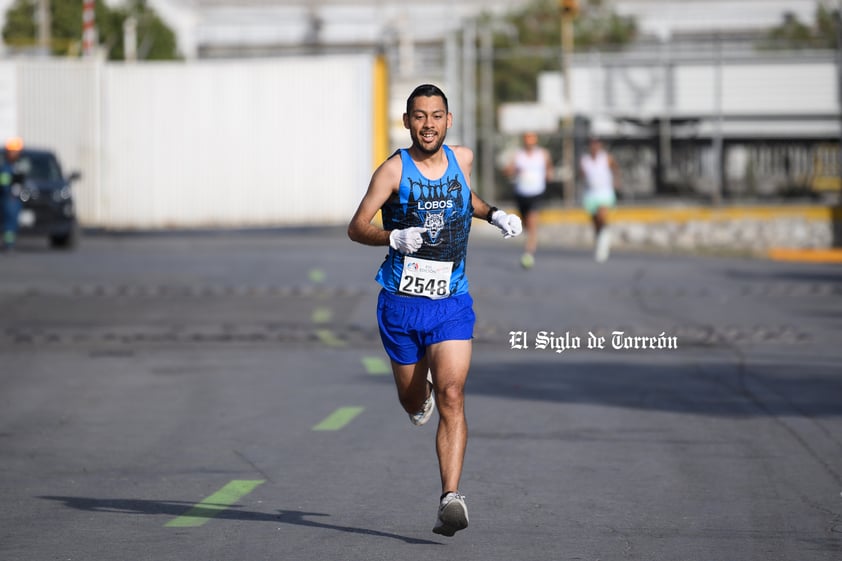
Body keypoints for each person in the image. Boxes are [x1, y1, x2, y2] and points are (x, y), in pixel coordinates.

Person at [348, 84, 522, 537]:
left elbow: (468, 199)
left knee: (452, 394)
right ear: (407, 122)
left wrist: (495, 213)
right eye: (419, 116)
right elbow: (356, 226)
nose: (429, 124)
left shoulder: (461, 159)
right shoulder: (392, 172)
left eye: (437, 115)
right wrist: (391, 237)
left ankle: (451, 496)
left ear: (448, 120)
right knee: (415, 398)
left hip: (451, 301)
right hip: (401, 304)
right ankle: (416, 396)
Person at [503, 131, 553, 269]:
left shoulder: (542, 154)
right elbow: (508, 170)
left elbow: (549, 169)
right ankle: (529, 241)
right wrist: (512, 170)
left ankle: (528, 253)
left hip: (536, 193)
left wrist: (549, 175)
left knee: (532, 223)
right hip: (521, 193)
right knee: (525, 223)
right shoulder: (519, 155)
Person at [579, 136, 620, 262]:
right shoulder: (585, 160)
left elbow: (615, 169)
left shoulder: (606, 158)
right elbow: (582, 175)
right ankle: (601, 239)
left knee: (602, 216)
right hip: (591, 194)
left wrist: (616, 181)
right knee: (596, 221)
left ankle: (603, 245)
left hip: (604, 193)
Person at [1, 137, 25, 251]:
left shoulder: (16, 167)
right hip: (8, 199)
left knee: (12, 223)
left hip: (15, 199)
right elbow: (4, 183)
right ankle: (8, 244)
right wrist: (10, 191)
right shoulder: (6, 168)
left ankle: (10, 243)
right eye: (14, 151)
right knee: (9, 223)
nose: (16, 154)